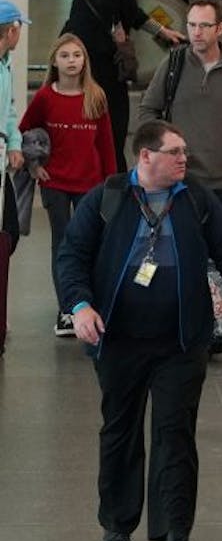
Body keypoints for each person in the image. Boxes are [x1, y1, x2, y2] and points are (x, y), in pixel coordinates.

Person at [57, 120, 222, 541]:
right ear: (145, 157)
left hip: (181, 339)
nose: (184, 159)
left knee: (175, 431)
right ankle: (117, 525)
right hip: (119, 338)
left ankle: (175, 529)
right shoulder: (108, 198)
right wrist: (80, 306)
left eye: (184, 151)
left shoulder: (195, 199)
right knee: (120, 431)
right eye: (175, 152)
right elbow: (72, 256)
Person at [62, 0, 187, 172]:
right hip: (103, 61)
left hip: (78, 53)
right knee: (113, 126)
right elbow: (118, 7)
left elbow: (128, 9)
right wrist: (116, 29)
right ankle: (112, 183)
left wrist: (160, 30)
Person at [137, 0, 222, 219]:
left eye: (204, 26)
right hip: (179, 178)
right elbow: (148, 110)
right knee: (182, 247)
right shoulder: (173, 63)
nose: (196, 32)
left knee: (221, 248)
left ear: (220, 29)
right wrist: (159, 149)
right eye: (191, 25)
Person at [21, 34, 117, 337]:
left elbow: (106, 144)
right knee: (63, 244)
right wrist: (35, 166)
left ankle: (90, 303)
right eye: (65, 55)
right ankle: (67, 310)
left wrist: (111, 184)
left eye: (77, 55)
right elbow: (24, 132)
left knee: (92, 243)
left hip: (91, 183)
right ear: (54, 61)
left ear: (84, 60)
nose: (72, 61)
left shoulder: (96, 96)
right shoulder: (45, 98)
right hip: (56, 183)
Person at [0, 2, 25, 355]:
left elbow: (9, 110)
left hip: (1, 157)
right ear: (9, 30)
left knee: (9, 233)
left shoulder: (7, 65)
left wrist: (15, 143)